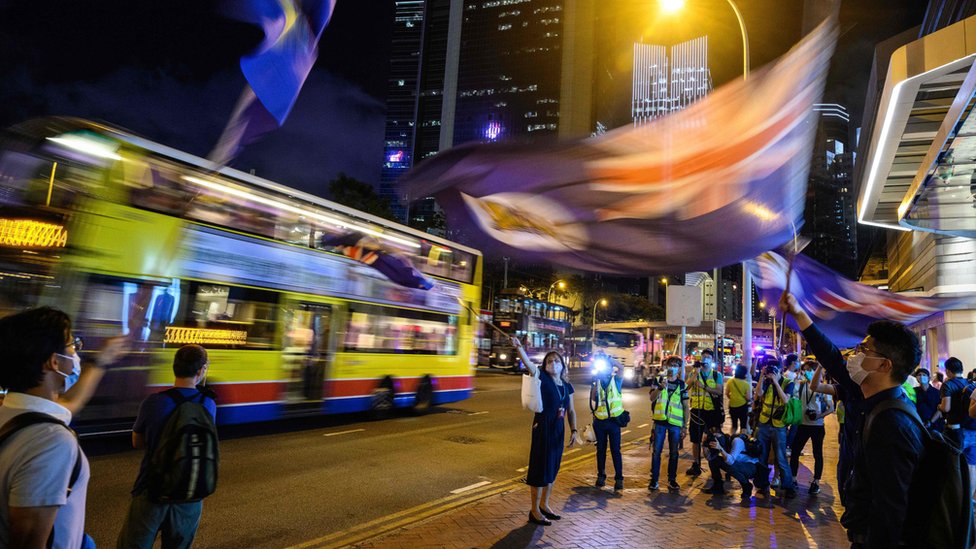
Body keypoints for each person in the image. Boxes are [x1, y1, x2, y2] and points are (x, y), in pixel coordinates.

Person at [780, 292, 924, 547]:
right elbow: (832, 358)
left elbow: (891, 509)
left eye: (864, 349)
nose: (854, 356)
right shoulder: (865, 395)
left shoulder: (892, 423)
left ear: (884, 365)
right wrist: (799, 312)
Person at [0, 307, 124, 548]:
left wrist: (100, 361)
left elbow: (68, 405)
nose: (76, 353)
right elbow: (28, 540)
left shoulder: (12, 412)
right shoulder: (51, 441)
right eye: (72, 345)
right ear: (54, 362)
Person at [117, 345, 217, 548]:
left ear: (175, 367)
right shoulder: (208, 404)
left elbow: (137, 442)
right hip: (190, 495)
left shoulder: (154, 402)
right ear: (200, 371)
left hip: (152, 490)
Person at [512, 338, 581, 526]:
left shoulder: (567, 387)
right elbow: (528, 364)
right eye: (549, 361)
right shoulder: (541, 378)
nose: (553, 364)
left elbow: (571, 410)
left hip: (558, 431)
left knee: (552, 468)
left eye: (556, 361)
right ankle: (534, 510)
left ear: (562, 365)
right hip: (543, 428)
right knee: (540, 469)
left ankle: (545, 505)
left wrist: (574, 430)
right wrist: (519, 347)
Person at [753, 355, 797, 498]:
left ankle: (788, 486)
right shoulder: (765, 381)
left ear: (780, 369)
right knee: (762, 455)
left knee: (781, 457)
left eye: (773, 369)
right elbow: (758, 394)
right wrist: (761, 376)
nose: (771, 372)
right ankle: (762, 484)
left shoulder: (788, 382)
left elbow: (785, 400)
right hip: (764, 423)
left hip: (779, 426)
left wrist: (776, 382)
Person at [789, 361, 834, 495]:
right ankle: (793, 478)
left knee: (817, 454)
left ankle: (816, 482)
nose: (805, 373)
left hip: (817, 426)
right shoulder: (801, 385)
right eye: (804, 370)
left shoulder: (824, 388)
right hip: (802, 425)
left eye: (808, 370)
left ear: (816, 371)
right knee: (795, 451)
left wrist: (819, 415)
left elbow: (831, 408)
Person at [648, 357, 689, 491]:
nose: (673, 367)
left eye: (676, 365)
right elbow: (651, 398)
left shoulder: (682, 385)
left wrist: (685, 425)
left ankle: (672, 480)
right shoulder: (659, 380)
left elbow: (685, 406)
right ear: (666, 366)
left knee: (674, 453)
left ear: (679, 368)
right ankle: (654, 480)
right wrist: (660, 388)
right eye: (670, 365)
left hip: (675, 424)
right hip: (660, 421)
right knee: (656, 452)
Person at [940, 357, 976, 500]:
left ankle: (955, 498)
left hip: (955, 429)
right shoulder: (969, 384)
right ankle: (970, 499)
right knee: (972, 465)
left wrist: (938, 407)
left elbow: (946, 407)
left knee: (953, 463)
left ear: (948, 370)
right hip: (972, 427)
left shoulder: (948, 385)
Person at [685, 349, 723, 476]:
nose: (705, 359)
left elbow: (719, 391)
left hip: (711, 412)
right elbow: (687, 387)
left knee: (712, 439)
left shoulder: (717, 375)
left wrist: (704, 387)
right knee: (695, 439)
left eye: (708, 357)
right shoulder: (695, 373)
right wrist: (695, 373)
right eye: (704, 356)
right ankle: (696, 464)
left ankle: (715, 466)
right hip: (696, 411)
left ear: (712, 360)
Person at [590, 362, 624, 491]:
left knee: (615, 451)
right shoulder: (597, 382)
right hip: (599, 422)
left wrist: (608, 359)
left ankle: (619, 478)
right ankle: (601, 476)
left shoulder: (616, 380)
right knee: (601, 450)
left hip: (614, 422)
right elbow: (593, 398)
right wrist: (595, 382)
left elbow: (621, 367)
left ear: (611, 369)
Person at [704, 429, 767, 500]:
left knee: (730, 466)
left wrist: (720, 449)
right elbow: (709, 457)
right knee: (714, 460)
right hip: (741, 465)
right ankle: (718, 486)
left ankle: (746, 485)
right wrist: (704, 444)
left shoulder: (737, 441)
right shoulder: (726, 443)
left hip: (751, 468)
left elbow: (730, 461)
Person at [725, 364, 752, 435]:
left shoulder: (730, 381)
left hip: (732, 406)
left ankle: (732, 438)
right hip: (743, 406)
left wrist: (733, 398)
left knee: (734, 425)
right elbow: (748, 397)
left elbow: (727, 393)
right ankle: (742, 440)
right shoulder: (746, 384)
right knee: (743, 425)